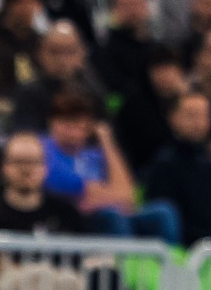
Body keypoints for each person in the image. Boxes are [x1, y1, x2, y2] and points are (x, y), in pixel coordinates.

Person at [40, 91, 174, 241]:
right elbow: (86, 195)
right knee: (112, 216)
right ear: (52, 123)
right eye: (67, 124)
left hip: (111, 213)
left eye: (79, 126)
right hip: (74, 220)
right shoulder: (44, 151)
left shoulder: (94, 155)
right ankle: (124, 264)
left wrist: (106, 141)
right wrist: (114, 195)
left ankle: (170, 264)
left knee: (163, 212)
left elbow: (130, 194)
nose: (73, 133)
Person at [142, 88, 211, 244]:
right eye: (191, 115)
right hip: (182, 252)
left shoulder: (206, 162)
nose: (198, 122)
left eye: (204, 116)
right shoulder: (163, 164)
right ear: (173, 118)